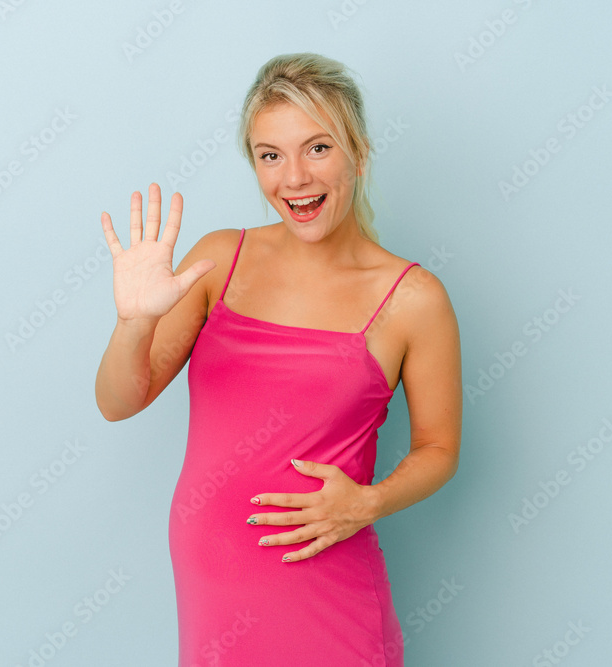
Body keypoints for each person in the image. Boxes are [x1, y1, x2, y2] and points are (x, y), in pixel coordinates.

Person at [95, 52, 461, 666]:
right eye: (271, 155)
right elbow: (118, 401)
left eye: (317, 148)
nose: (293, 178)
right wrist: (134, 323)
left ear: (359, 153)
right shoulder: (220, 260)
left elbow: (439, 449)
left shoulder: (412, 299)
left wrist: (367, 502)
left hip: (327, 589)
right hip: (214, 594)